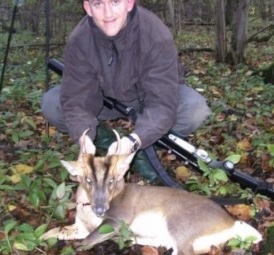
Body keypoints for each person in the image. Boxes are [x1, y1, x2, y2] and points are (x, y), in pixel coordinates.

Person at [41, 0, 211, 155]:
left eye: (115, 2)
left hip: (148, 100)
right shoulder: (79, 40)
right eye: (98, 4)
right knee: (52, 103)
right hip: (104, 101)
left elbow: (162, 103)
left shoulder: (155, 33)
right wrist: (83, 138)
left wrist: (135, 140)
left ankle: (146, 145)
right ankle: (101, 139)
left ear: (129, 3)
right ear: (88, 8)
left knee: (194, 109)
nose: (108, 13)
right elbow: (78, 100)